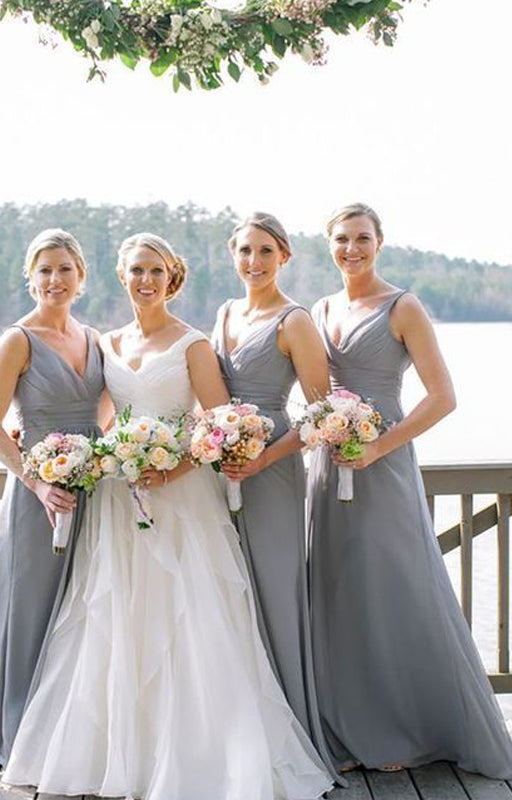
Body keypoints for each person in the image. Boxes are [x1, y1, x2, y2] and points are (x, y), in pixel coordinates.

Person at [2, 233, 333, 800]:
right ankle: (122, 753)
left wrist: (170, 468)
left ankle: (198, 754)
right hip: (116, 500)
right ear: (121, 277)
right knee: (116, 615)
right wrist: (40, 434)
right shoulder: (107, 343)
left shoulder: (193, 344)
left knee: (188, 617)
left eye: (155, 270)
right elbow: (102, 415)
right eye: (135, 271)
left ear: (171, 276)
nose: (145, 281)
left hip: (181, 501)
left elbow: (217, 424)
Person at [308, 202, 512, 777]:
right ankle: (348, 728)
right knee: (338, 591)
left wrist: (377, 446)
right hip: (328, 466)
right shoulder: (320, 309)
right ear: (329, 245)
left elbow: (442, 397)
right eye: (342, 239)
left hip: (384, 464)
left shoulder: (403, 306)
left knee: (393, 587)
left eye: (362, 238)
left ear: (381, 242)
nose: (352, 248)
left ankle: (411, 728)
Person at [0, 229, 107, 765]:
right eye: (44, 270)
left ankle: (65, 724)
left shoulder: (93, 339)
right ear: (30, 277)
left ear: (81, 277)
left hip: (91, 488)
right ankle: (15, 726)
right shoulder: (17, 340)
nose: (54, 280)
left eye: (65, 269)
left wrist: (104, 455)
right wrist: (36, 479)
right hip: (37, 493)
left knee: (79, 604)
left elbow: (102, 412)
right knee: (30, 602)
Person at [211, 212, 338, 778]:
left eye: (265, 252)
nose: (254, 263)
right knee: (229, 595)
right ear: (232, 256)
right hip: (222, 474)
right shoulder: (224, 313)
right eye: (244, 251)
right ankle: (238, 729)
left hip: (273, 472)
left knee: (274, 593)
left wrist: (261, 457)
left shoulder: (295, 321)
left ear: (284, 256)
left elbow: (320, 414)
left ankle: (295, 732)